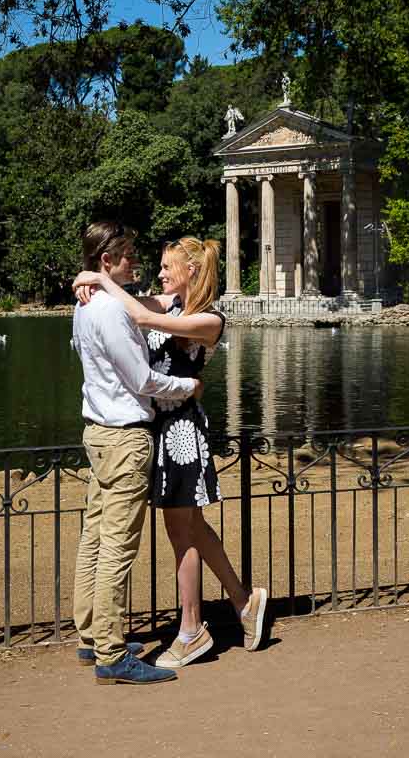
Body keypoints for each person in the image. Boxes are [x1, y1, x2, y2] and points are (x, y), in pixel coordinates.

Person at [73, 236, 268, 669]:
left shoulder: (208, 320)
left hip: (181, 432)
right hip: (159, 428)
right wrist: (88, 282)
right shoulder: (170, 305)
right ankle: (244, 600)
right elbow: (133, 302)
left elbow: (138, 313)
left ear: (192, 271)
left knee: (182, 534)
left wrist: (98, 280)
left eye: (167, 267)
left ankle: (192, 631)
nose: (159, 273)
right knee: (193, 529)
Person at [72, 220, 205, 686]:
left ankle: (91, 636)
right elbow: (143, 381)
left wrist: (89, 282)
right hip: (126, 437)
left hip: (97, 432)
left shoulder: (86, 307)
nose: (136, 263)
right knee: (117, 546)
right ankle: (111, 652)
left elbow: (159, 308)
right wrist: (188, 386)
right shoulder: (109, 311)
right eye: (127, 256)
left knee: (94, 537)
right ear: (107, 261)